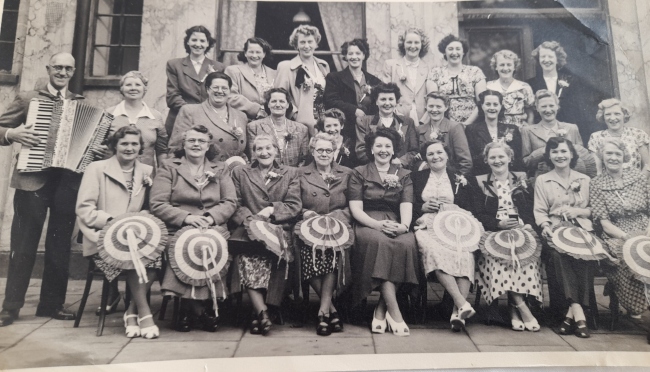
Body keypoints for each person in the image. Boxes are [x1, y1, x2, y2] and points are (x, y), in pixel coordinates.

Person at [0, 52, 83, 326]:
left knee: (59, 246)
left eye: (67, 68)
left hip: (65, 184)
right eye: (57, 67)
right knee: (23, 245)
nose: (62, 72)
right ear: (48, 68)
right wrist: (12, 134)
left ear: (73, 72)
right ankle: (10, 307)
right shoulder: (28, 98)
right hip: (32, 182)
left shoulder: (79, 103)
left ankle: (51, 304)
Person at [150, 125, 237, 332]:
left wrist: (209, 217)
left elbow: (230, 202)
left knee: (210, 244)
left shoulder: (220, 168)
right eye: (192, 140)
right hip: (178, 226)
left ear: (208, 146)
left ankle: (189, 307)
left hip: (212, 226)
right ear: (184, 144)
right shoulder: (170, 167)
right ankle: (196, 309)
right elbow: (157, 203)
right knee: (183, 244)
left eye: (201, 141)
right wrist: (186, 218)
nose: (196, 144)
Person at [76, 126, 159, 338]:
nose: (129, 148)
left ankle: (132, 312)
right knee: (133, 256)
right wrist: (113, 221)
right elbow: (84, 209)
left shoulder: (147, 171)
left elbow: (150, 207)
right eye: (124, 144)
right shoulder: (97, 168)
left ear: (141, 147)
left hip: (136, 237)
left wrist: (139, 224)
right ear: (115, 146)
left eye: (134, 144)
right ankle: (144, 312)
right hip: (102, 239)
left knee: (157, 255)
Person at [349, 128, 418, 337]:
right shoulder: (359, 172)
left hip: (394, 221)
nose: (383, 150)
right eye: (378, 145)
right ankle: (395, 312)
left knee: (407, 242)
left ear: (394, 149)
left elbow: (406, 206)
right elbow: (355, 209)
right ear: (371, 148)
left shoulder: (404, 175)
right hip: (367, 222)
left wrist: (404, 226)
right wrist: (376, 225)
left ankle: (381, 309)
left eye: (387, 146)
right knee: (381, 243)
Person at [229, 135, 302, 335]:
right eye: (259, 149)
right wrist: (251, 221)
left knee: (276, 254)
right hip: (248, 228)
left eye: (268, 148)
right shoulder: (240, 172)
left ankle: (261, 311)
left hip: (279, 228)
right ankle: (262, 311)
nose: (264, 152)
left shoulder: (290, 173)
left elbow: (294, 205)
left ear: (276, 151)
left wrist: (271, 211)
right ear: (253, 152)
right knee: (246, 257)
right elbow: (234, 203)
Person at [472, 142, 542, 332]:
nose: (497, 160)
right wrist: (497, 223)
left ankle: (512, 308)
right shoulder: (479, 181)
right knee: (499, 258)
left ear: (510, 158)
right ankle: (520, 306)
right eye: (492, 157)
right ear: (486, 160)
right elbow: (477, 213)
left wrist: (526, 224)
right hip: (493, 232)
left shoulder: (521, 179)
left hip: (521, 230)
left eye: (501, 156)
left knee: (526, 257)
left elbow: (531, 208)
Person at [412, 140, 476, 331]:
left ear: (447, 155)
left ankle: (458, 314)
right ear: (426, 158)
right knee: (434, 249)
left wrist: (456, 208)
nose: (436, 157)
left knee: (465, 253)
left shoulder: (458, 178)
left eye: (439, 152)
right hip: (426, 224)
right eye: (431, 154)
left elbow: (471, 207)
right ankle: (461, 303)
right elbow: (405, 204)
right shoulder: (417, 177)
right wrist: (421, 207)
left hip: (454, 224)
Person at [534, 137, 595, 338]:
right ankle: (579, 311)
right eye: (555, 152)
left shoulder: (585, 180)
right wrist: (545, 226)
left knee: (585, 255)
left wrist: (578, 212)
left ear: (571, 154)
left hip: (581, 228)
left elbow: (592, 210)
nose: (560, 155)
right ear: (549, 156)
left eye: (563, 151)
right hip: (555, 229)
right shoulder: (543, 180)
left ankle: (571, 313)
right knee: (558, 256)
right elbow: (540, 210)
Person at [297, 133, 353, 336]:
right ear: (312, 151)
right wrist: (306, 213)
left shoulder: (346, 173)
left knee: (331, 250)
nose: (324, 153)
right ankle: (331, 310)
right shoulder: (301, 173)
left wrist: (337, 217)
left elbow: (352, 205)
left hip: (337, 226)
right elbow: (294, 202)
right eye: (319, 150)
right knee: (306, 252)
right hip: (307, 226)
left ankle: (323, 311)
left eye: (328, 150)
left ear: (335, 152)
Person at [590, 138, 649, 319]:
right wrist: (628, 237)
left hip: (645, 227)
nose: (613, 157)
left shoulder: (639, 177)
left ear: (624, 156)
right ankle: (638, 303)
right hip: (616, 233)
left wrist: (647, 233)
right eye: (609, 153)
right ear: (602, 156)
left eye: (617, 153)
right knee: (625, 253)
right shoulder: (596, 183)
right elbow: (605, 223)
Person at [527, 41, 603, 145]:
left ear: (557, 59)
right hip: (542, 133)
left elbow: (580, 110)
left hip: (568, 131)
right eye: (543, 57)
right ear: (538, 59)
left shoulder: (572, 81)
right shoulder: (531, 84)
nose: (546, 60)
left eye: (550, 57)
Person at [168, 72, 248, 162]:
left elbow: (245, 152)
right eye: (215, 87)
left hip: (235, 171)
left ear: (229, 91)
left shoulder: (241, 116)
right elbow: (176, 149)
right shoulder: (190, 111)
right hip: (205, 171)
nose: (220, 91)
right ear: (207, 90)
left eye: (224, 88)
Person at [165, 25, 224, 135]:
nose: (198, 44)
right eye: (194, 40)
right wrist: (193, 112)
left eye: (202, 41)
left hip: (209, 120)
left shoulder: (218, 67)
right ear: (187, 42)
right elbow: (172, 97)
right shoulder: (174, 65)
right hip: (180, 119)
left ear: (207, 43)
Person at [324, 38, 382, 147]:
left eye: (358, 53)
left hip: (368, 132)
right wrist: (354, 110)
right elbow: (331, 101)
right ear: (345, 56)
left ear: (364, 55)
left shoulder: (375, 81)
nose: (354, 57)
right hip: (345, 130)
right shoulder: (334, 78)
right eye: (350, 53)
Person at [275, 25, 330, 135]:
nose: (307, 46)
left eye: (310, 42)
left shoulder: (323, 65)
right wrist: (295, 114)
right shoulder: (286, 66)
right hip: (301, 122)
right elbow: (279, 96)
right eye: (302, 42)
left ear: (316, 43)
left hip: (325, 119)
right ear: (296, 45)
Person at [107, 71, 168, 168]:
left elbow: (162, 151)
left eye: (138, 85)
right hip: (113, 172)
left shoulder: (156, 116)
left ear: (144, 89)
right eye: (128, 85)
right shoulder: (109, 114)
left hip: (146, 176)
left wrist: (162, 175)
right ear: (121, 89)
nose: (133, 88)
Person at [426, 34, 486, 126]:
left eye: (458, 49)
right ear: (444, 52)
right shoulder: (435, 73)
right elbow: (434, 102)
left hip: (472, 125)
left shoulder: (475, 72)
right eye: (450, 49)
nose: (454, 52)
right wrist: (450, 126)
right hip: (444, 125)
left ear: (463, 52)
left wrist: (466, 124)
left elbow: (482, 102)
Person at [521, 89, 583, 178]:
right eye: (543, 106)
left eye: (551, 105)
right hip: (541, 179)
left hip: (569, 178)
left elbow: (581, 157)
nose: (548, 110)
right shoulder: (527, 131)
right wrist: (544, 150)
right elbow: (525, 163)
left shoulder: (572, 128)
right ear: (537, 108)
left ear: (557, 106)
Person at [355, 83, 418, 169]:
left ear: (396, 101)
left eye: (391, 99)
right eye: (383, 99)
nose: (387, 103)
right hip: (373, 170)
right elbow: (361, 151)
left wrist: (401, 161)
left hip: (400, 171)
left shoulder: (408, 122)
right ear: (376, 101)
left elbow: (414, 151)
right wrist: (383, 162)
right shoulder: (363, 121)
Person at [466, 90, 523, 176]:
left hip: (508, 176)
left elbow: (517, 159)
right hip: (482, 176)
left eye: (495, 104)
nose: (492, 108)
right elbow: (472, 158)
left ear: (500, 106)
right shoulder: (472, 130)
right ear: (482, 106)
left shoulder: (512, 129)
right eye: (488, 104)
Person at [246, 88, 309, 167]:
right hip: (266, 175)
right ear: (268, 104)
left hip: (294, 176)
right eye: (274, 101)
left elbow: (303, 160)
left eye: (282, 101)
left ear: (288, 104)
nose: (278, 105)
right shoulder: (254, 127)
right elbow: (254, 159)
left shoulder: (301, 129)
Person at [379, 28, 431, 124]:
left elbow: (432, 98)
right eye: (409, 42)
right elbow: (385, 93)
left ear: (422, 45)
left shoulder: (428, 68)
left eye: (416, 43)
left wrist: (424, 121)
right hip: (397, 117)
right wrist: (396, 116)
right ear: (403, 44)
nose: (412, 46)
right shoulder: (391, 65)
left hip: (423, 119)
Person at [588, 98, 650, 174]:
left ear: (625, 115)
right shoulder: (596, 137)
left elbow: (648, 166)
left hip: (637, 183)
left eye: (617, 114)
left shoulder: (637, 134)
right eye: (608, 114)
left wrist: (638, 183)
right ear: (603, 117)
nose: (612, 118)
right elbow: (598, 170)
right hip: (608, 184)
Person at [416, 92, 472, 175]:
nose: (434, 110)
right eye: (431, 106)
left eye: (438, 106)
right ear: (426, 106)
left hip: (450, 178)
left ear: (446, 107)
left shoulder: (455, 128)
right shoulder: (419, 129)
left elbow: (465, 161)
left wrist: (457, 182)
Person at [225, 37, 277, 121]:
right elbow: (231, 96)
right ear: (245, 53)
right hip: (244, 120)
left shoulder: (274, 73)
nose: (254, 55)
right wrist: (257, 110)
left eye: (258, 52)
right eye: (251, 52)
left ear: (264, 54)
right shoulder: (233, 71)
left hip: (272, 120)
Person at [485, 50, 535, 128]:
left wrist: (529, 130)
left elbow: (530, 113)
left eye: (509, 65)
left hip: (519, 130)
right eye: (502, 65)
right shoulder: (488, 87)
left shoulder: (524, 87)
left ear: (514, 67)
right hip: (495, 129)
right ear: (496, 67)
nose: (505, 68)